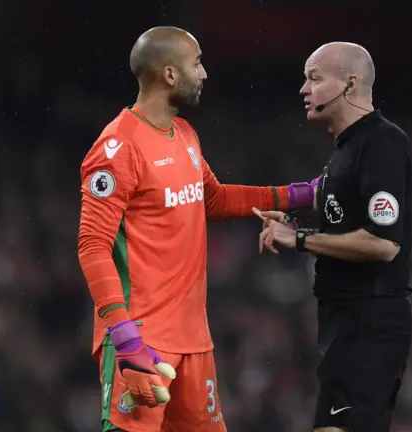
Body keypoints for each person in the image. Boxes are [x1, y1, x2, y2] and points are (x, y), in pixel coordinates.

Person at [77, 26, 317, 432]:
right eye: (197, 63)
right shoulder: (118, 147)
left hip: (193, 343)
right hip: (141, 341)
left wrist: (297, 196)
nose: (204, 74)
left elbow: (214, 200)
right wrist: (124, 336)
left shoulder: (184, 134)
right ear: (169, 74)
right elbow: (92, 245)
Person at [254, 42, 412, 432]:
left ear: (350, 83)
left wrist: (300, 239)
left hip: (371, 323)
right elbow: (329, 195)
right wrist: (288, 208)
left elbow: (383, 243)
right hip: (344, 323)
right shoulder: (346, 148)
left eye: (314, 78)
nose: (303, 90)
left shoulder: (383, 143)